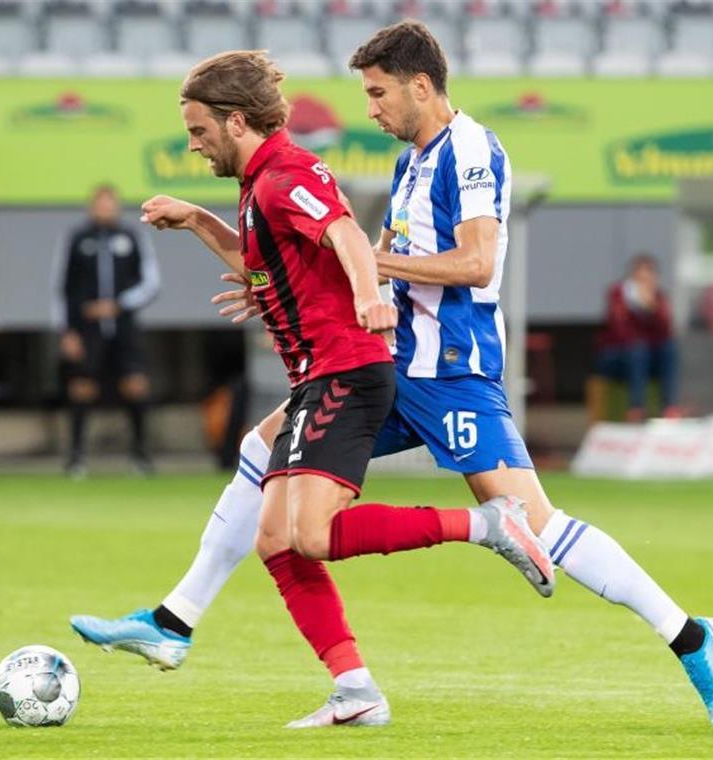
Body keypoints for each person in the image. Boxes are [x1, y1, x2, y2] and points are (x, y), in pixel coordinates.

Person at [71, 22, 713, 729]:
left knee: (538, 524)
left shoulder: (472, 149)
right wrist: (284, 282)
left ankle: (694, 637)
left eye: (379, 92)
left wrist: (368, 264)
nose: (371, 108)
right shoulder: (410, 164)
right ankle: (184, 621)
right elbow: (368, 253)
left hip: (450, 368)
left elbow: (476, 263)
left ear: (421, 86)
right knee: (263, 459)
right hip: (387, 361)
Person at [72, 47, 554, 729]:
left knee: (313, 534)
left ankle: (486, 524)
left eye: (199, 131)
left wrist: (370, 297)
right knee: (275, 537)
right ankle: (351, 687)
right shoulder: (256, 187)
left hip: (345, 372)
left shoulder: (284, 176)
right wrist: (197, 220)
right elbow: (262, 260)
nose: (193, 145)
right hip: (317, 378)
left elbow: (348, 236)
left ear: (236, 122)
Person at [59, 184, 160, 477]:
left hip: (124, 327)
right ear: (92, 206)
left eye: (109, 203)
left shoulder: (131, 237)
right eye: (99, 203)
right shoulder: (78, 239)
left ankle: (141, 456)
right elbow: (62, 287)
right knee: (81, 388)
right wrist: (67, 330)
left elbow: (151, 283)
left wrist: (119, 304)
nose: (105, 208)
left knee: (136, 385)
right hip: (86, 329)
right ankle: (76, 458)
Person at [594, 253, 683, 421]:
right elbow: (619, 331)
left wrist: (653, 310)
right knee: (638, 351)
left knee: (669, 349)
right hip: (618, 357)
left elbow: (665, 333)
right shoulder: (618, 295)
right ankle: (636, 408)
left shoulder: (658, 298)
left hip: (647, 359)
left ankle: (670, 407)